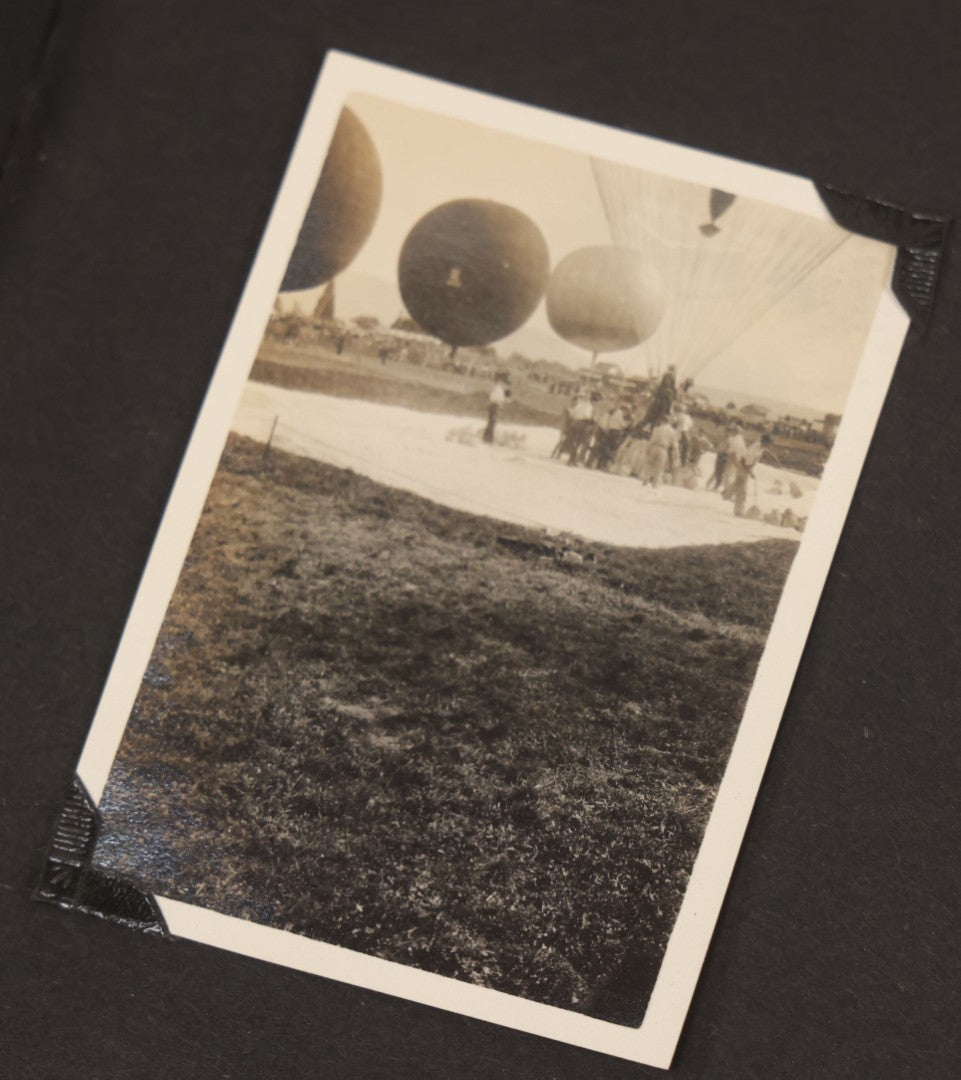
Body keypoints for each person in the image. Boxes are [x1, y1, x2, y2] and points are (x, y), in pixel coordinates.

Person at [731, 433, 774, 517]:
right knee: (742, 492)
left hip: (745, 466)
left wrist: (769, 454)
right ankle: (739, 512)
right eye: (769, 443)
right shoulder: (755, 449)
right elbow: (746, 462)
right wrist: (750, 472)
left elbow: (758, 454)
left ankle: (728, 494)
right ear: (765, 442)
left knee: (739, 486)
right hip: (743, 467)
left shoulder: (759, 446)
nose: (770, 444)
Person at [646, 417, 678, 488]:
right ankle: (654, 483)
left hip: (655, 447)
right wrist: (676, 454)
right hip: (663, 449)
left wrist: (648, 449)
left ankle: (645, 479)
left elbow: (652, 440)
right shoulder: (672, 432)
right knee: (659, 467)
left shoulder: (657, 429)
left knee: (650, 464)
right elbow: (674, 445)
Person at [483, 373, 510, 444]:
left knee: (492, 422)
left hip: (494, 406)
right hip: (495, 406)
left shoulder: (498, 389)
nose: (505, 385)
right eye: (504, 382)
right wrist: (503, 401)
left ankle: (487, 438)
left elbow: (494, 398)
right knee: (492, 422)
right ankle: (488, 439)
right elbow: (496, 399)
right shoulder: (498, 389)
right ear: (501, 381)